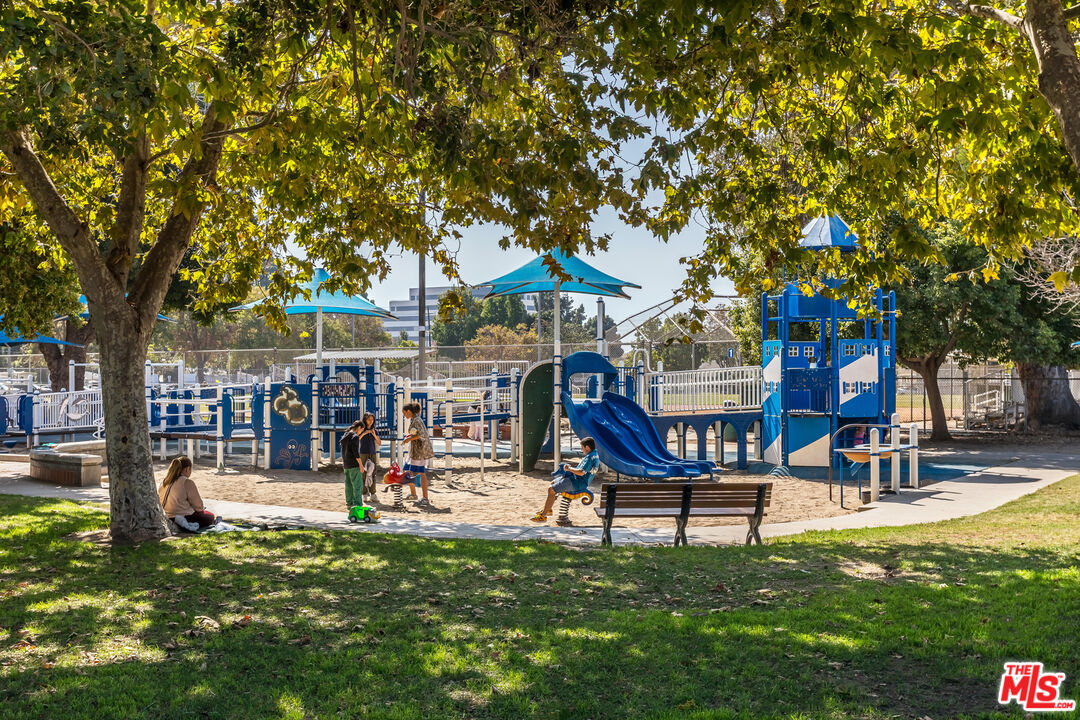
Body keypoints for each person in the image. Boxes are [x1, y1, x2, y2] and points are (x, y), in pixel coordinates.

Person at [530, 437, 600, 526]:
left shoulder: (590, 457)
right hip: (577, 479)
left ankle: (543, 516)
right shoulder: (595, 454)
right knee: (553, 483)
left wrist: (569, 468)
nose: (581, 450)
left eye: (582, 447)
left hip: (577, 482)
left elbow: (581, 472)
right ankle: (548, 509)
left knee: (551, 489)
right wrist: (571, 469)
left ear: (587, 447)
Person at [158, 456, 216, 530]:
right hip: (182, 516)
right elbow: (199, 507)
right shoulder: (187, 482)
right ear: (187, 469)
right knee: (210, 516)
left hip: (165, 515)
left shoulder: (164, 482)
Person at [401, 402, 434, 508]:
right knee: (407, 470)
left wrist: (409, 439)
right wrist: (409, 437)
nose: (404, 415)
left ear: (409, 411)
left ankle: (425, 498)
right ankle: (413, 494)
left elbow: (423, 434)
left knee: (421, 472)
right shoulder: (415, 420)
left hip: (419, 451)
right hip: (414, 451)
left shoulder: (417, 420)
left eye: (404, 413)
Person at [356, 412, 381, 502]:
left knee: (372, 473)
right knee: (363, 473)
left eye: (372, 419)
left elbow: (379, 443)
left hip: (372, 453)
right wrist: (364, 433)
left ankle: (373, 493)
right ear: (365, 420)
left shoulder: (374, 430)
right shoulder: (361, 429)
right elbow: (356, 439)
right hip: (363, 453)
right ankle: (364, 493)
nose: (371, 421)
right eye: (369, 419)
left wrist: (374, 434)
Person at [340, 419, 364, 509]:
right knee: (357, 485)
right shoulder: (355, 437)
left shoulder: (345, 435)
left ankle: (349, 503)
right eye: (361, 430)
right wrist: (361, 465)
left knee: (348, 485)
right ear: (359, 428)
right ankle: (358, 504)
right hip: (354, 465)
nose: (361, 432)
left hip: (346, 464)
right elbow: (356, 453)